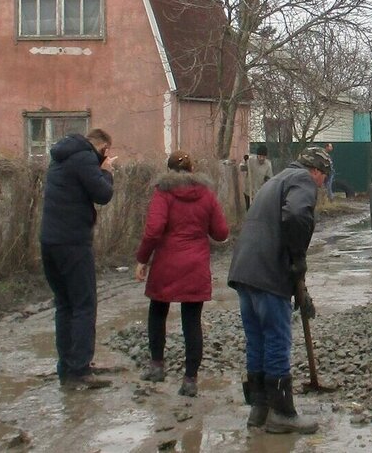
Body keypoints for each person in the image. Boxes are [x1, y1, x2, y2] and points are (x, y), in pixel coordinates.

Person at [227, 146, 331, 434]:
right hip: (268, 271)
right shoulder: (303, 181)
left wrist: (301, 289)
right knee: (276, 339)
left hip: (244, 270)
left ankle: (259, 409)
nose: (321, 184)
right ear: (316, 171)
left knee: (257, 338)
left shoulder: (275, 181)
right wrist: (298, 258)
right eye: (323, 177)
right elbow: (297, 215)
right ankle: (282, 413)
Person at [134, 150, 230, 397]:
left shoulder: (163, 193)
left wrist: (142, 259)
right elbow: (221, 232)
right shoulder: (206, 195)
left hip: (166, 262)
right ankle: (190, 380)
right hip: (195, 265)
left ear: (168, 171)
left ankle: (157, 366)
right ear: (192, 170)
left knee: (157, 312)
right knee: (192, 321)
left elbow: (154, 230)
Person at [39, 128, 117, 390]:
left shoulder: (60, 157)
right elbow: (103, 194)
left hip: (49, 241)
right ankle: (80, 370)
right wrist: (106, 171)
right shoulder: (84, 158)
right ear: (103, 148)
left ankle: (66, 367)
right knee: (84, 305)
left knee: (64, 305)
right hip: (73, 242)